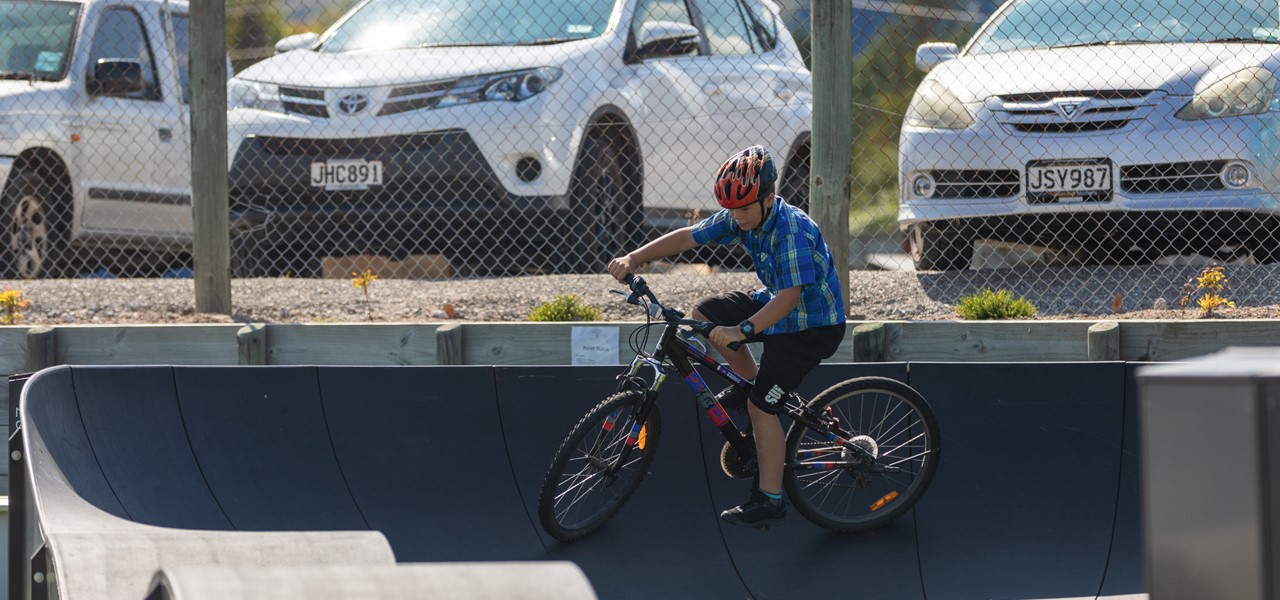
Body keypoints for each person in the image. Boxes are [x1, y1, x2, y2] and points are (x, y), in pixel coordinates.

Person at [607, 145, 846, 529]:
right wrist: (634, 258)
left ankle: (769, 499)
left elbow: (790, 299)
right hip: (776, 306)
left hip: (810, 327)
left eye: (744, 209)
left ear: (769, 198)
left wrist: (742, 331)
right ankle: (749, 382)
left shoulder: (792, 231)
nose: (736, 217)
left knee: (761, 409)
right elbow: (688, 237)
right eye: (731, 210)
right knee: (704, 314)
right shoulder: (742, 215)